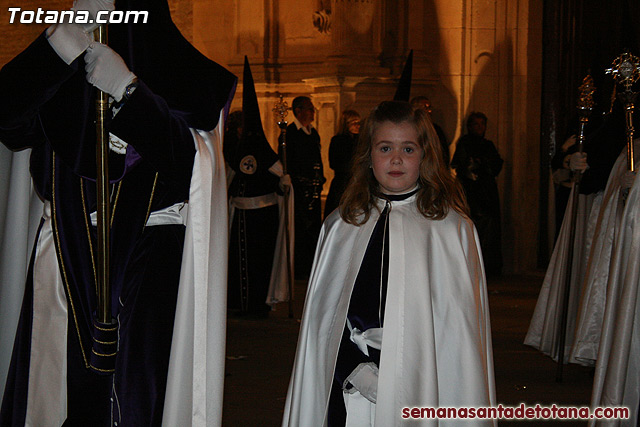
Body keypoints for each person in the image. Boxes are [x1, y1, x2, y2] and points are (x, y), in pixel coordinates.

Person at [0, 0, 237, 425]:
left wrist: (130, 92)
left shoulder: (183, 72)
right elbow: (10, 124)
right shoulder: (65, 60)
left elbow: (190, 165)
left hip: (150, 257)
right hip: (66, 253)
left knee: (136, 392)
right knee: (59, 391)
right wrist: (59, 44)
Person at [282, 101, 496, 426]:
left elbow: (459, 335)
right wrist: (352, 366)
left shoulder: (451, 230)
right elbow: (321, 320)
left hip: (419, 385)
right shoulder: (341, 226)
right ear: (368, 155)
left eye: (408, 149)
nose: (396, 159)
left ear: (425, 155)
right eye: (385, 148)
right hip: (349, 380)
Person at [225, 57, 292, 317]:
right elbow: (230, 179)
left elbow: (281, 181)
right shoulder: (233, 151)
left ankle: (258, 303)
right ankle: (237, 303)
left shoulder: (265, 153)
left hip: (264, 219)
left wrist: (285, 185)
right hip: (239, 215)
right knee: (238, 263)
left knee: (259, 264)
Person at [451, 111, 504, 276]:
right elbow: (463, 166)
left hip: (487, 195)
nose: (480, 128)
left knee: (489, 234)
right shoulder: (465, 143)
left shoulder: (488, 145)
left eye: (483, 124)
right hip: (471, 194)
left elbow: (495, 166)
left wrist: (485, 164)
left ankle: (489, 268)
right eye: (476, 124)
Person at [282, 95, 325, 279]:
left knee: (313, 227)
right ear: (298, 111)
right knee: (300, 227)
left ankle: (311, 266)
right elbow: (287, 162)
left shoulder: (313, 133)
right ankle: (300, 269)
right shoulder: (289, 134)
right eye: (309, 108)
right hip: (299, 189)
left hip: (314, 189)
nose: (313, 111)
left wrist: (320, 179)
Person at [324, 109, 360, 219]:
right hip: (342, 184)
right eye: (355, 123)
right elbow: (334, 163)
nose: (358, 126)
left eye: (359, 123)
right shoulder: (338, 140)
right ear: (346, 124)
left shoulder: (359, 140)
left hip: (357, 182)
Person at [410, 95, 450, 166]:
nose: (429, 111)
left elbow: (443, 153)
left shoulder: (436, 129)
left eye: (429, 107)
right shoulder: (408, 129)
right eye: (425, 107)